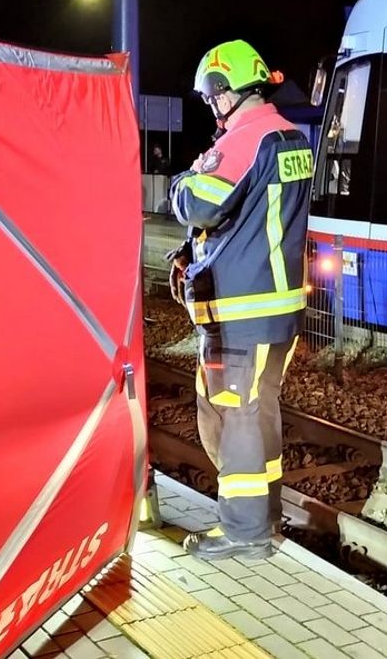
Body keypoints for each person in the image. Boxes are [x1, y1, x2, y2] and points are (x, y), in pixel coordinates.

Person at [166, 39, 313, 561]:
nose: (211, 109)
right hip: (277, 308)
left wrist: (184, 179)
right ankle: (264, 519)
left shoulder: (247, 138)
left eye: (210, 99)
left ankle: (244, 532)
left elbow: (200, 203)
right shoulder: (291, 138)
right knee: (259, 410)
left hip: (240, 313)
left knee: (236, 417)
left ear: (224, 93)